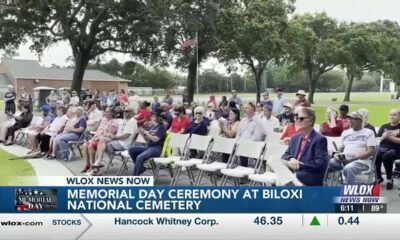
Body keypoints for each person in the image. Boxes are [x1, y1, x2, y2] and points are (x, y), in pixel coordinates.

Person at [282, 107, 329, 186]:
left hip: (309, 174)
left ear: (310, 121)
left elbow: (319, 164)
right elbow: (285, 155)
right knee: (273, 162)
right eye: (296, 118)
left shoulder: (319, 139)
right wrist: (291, 159)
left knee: (285, 177)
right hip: (292, 169)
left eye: (301, 118)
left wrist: (299, 165)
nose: (297, 120)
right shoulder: (295, 137)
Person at [328, 111, 375, 185]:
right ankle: (320, 187)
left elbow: (371, 151)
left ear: (360, 120)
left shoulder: (368, 132)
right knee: (325, 163)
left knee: (349, 168)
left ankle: (348, 191)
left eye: (353, 119)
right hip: (343, 161)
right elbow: (341, 149)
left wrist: (353, 159)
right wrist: (336, 155)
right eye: (349, 119)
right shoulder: (345, 133)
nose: (350, 121)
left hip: (361, 161)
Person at [128, 109, 167, 176]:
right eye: (152, 116)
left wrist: (146, 133)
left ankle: (134, 177)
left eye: (153, 116)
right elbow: (147, 140)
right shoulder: (154, 127)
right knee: (131, 150)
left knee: (140, 157)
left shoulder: (161, 127)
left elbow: (155, 139)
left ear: (158, 117)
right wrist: (142, 133)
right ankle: (141, 168)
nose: (151, 117)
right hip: (149, 147)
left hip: (157, 148)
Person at [80, 107, 118, 175]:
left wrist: (98, 137)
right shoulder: (103, 120)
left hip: (105, 140)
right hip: (98, 138)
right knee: (84, 145)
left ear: (112, 113)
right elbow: (98, 130)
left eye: (107, 112)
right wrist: (95, 137)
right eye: (105, 111)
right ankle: (88, 165)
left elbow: (109, 134)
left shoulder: (114, 122)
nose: (105, 113)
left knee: (90, 145)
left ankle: (94, 167)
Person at [375, 109, 400, 190]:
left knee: (387, 156)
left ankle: (389, 179)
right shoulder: (384, 126)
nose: (391, 116)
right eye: (390, 114)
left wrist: (389, 137)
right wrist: (383, 137)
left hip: (396, 150)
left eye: (394, 115)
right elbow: (377, 140)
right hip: (382, 148)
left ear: (399, 116)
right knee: (376, 154)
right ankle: (379, 177)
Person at [236, 102, 264, 167]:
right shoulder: (243, 120)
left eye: (247, 108)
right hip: (241, 144)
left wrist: (245, 144)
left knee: (243, 149)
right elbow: (238, 133)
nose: (244, 110)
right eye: (244, 108)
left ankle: (243, 170)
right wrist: (237, 141)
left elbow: (257, 138)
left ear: (252, 110)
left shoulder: (258, 122)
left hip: (253, 146)